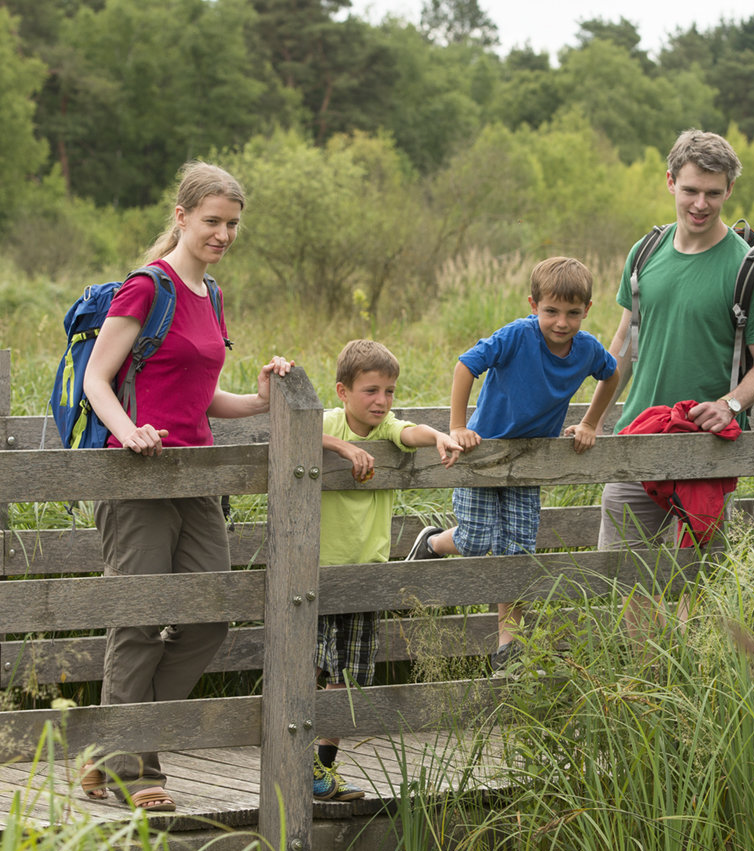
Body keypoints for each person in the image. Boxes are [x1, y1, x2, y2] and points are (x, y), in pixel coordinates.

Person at [80, 161, 294, 812]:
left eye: (232, 224)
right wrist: (131, 431)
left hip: (197, 478)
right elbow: (97, 379)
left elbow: (201, 401)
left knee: (208, 617)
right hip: (139, 476)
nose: (222, 234)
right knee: (138, 622)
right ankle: (130, 767)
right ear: (181, 217)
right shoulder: (148, 288)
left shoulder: (213, 296)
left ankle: (111, 749)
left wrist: (259, 399)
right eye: (211, 222)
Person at [583, 130, 754, 639]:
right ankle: (639, 689)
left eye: (713, 193)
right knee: (624, 582)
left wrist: (730, 403)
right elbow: (623, 347)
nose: (701, 204)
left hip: (705, 453)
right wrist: (590, 418)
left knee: (693, 589)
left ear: (728, 192)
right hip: (635, 440)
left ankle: (683, 692)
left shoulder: (745, 267)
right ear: (671, 181)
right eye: (691, 190)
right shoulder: (645, 252)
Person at [406, 256, 619, 672]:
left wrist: (590, 423)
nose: (561, 322)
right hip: (482, 452)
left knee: (519, 549)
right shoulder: (517, 336)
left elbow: (611, 376)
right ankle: (432, 542)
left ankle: (510, 641)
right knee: (475, 540)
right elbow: (465, 365)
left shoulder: (589, 349)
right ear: (533, 304)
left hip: (530, 460)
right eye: (551, 311)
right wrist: (457, 426)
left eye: (573, 313)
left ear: (587, 311)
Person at [314, 339, 463, 800]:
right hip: (319, 571)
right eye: (370, 391)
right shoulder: (328, 422)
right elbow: (296, 431)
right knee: (311, 669)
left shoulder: (387, 430)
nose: (381, 401)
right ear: (343, 391)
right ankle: (295, 760)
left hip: (368, 572)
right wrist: (343, 448)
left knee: (349, 678)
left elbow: (409, 432)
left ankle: (320, 770)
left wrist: (437, 436)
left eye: (390, 391)